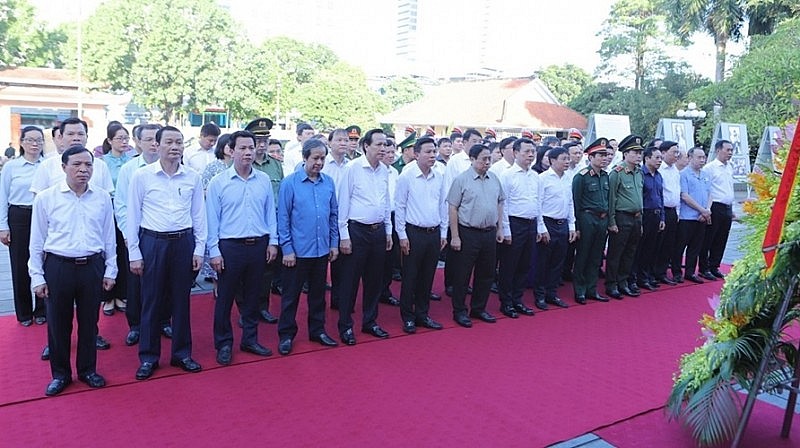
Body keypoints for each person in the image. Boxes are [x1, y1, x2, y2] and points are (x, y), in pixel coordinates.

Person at [29, 145, 117, 396]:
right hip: (58, 266)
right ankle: (61, 374)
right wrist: (37, 275)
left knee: (90, 322)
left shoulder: (101, 197)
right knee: (58, 324)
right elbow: (36, 241)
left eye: (88, 165)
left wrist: (111, 269)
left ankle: (88, 370)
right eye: (76, 164)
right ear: (63, 167)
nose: (83, 170)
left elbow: (109, 236)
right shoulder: (46, 198)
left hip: (92, 266)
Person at [127, 126, 207, 380]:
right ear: (156, 145)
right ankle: (149, 357)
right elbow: (132, 216)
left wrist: (199, 248)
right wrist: (134, 252)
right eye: (169, 142)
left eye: (179, 142)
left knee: (181, 300)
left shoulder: (192, 177)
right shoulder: (142, 176)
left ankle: (182, 354)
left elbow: (199, 215)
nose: (175, 147)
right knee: (150, 300)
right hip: (152, 242)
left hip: (183, 242)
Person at [207, 130, 277, 365]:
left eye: (251, 147)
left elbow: (270, 213)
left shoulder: (264, 180)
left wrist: (273, 242)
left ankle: (250, 339)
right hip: (230, 247)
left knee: (253, 297)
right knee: (225, 297)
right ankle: (224, 343)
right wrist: (214, 251)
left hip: (258, 245)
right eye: (243, 148)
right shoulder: (219, 182)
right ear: (231, 150)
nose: (248, 152)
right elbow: (212, 219)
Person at [277, 138, 340, 355]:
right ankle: (286, 335)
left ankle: (317, 330)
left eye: (322, 158)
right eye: (315, 158)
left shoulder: (328, 183)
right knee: (290, 297)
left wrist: (334, 243)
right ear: (305, 158)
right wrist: (287, 249)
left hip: (321, 250)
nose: (319, 163)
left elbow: (333, 215)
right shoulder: (290, 183)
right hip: (296, 252)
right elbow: (283, 218)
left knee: (318, 295)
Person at [114, 123, 171, 346]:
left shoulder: (172, 166)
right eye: (148, 139)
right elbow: (122, 205)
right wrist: (129, 235)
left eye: (156, 139)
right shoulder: (130, 169)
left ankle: (164, 320)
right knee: (137, 282)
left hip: (164, 234)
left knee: (166, 280)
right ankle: (136, 325)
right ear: (137, 142)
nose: (153, 144)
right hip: (138, 234)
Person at [336, 128, 392, 345]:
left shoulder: (384, 171)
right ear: (365, 146)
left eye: (385, 144)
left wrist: (388, 230)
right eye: (378, 144)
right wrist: (344, 235)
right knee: (350, 281)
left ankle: (370, 321)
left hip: (378, 231)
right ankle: (345, 325)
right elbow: (344, 202)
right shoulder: (352, 169)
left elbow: (385, 202)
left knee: (374, 280)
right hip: (356, 231)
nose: (383, 148)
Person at [447, 143, 505, 328]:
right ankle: (459, 311)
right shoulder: (462, 180)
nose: (488, 162)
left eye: (489, 158)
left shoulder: (494, 178)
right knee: (462, 274)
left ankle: (479, 308)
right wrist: (455, 236)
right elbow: (453, 208)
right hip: (468, 232)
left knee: (486, 273)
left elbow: (500, 203)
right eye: (483, 159)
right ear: (472, 159)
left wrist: (500, 228)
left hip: (488, 232)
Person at [395, 136, 447, 333]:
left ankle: (422, 314)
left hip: (433, 233)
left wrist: (443, 232)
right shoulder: (406, 176)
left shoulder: (439, 176)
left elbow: (443, 205)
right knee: (410, 277)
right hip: (413, 233)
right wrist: (402, 235)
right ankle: (407, 316)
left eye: (434, 151)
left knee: (427, 277)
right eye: (428, 152)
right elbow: (400, 206)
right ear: (416, 154)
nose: (432, 155)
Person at [1, 126, 44, 326]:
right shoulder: (12, 167)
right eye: (30, 140)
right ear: (22, 142)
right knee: (20, 265)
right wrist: (3, 226)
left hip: (43, 216)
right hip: (19, 216)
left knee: (44, 261)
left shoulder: (49, 165)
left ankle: (42, 309)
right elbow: (2, 197)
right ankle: (24, 312)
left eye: (39, 140)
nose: (35, 144)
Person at [497, 137, 540, 318]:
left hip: (531, 223)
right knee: (509, 265)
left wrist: (539, 227)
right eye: (526, 152)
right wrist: (505, 229)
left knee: (524, 264)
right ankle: (506, 303)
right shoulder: (507, 175)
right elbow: (502, 205)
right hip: (514, 224)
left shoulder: (535, 176)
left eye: (533, 152)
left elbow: (538, 202)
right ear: (515, 153)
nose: (530, 155)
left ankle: (518, 299)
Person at [247, 118, 284, 322]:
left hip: (272, 224)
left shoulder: (276, 165)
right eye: (257, 140)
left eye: (265, 140)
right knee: (246, 272)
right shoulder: (243, 163)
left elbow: (283, 193)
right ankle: (246, 310)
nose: (262, 144)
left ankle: (262, 307)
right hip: (249, 223)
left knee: (267, 270)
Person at [535, 147, 576, 309]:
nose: (567, 162)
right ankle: (539, 296)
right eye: (563, 159)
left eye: (568, 159)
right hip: (547, 223)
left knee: (558, 262)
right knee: (543, 262)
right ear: (552, 160)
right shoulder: (542, 179)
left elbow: (570, 202)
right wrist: (541, 227)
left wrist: (572, 225)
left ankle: (552, 294)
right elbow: (537, 204)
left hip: (563, 224)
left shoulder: (568, 178)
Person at [572, 139, 611, 304]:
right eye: (600, 155)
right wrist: (578, 226)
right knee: (583, 255)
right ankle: (580, 290)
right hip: (587, 218)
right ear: (590, 157)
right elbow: (576, 203)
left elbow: (608, 200)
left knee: (596, 256)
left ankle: (591, 289)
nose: (604, 158)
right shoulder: (581, 177)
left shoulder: (605, 176)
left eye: (606, 155)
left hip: (602, 219)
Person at [605, 135, 645, 299]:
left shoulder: (638, 173)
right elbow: (611, 199)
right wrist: (611, 221)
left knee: (630, 252)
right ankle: (611, 284)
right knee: (616, 253)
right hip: (622, 217)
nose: (638, 155)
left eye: (640, 152)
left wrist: (640, 220)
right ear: (625, 153)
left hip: (636, 217)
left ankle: (623, 282)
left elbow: (639, 196)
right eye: (635, 152)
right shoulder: (617, 173)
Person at [100, 123, 132, 316]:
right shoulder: (101, 162)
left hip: (127, 212)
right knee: (108, 252)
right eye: (119, 138)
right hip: (108, 211)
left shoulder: (133, 161)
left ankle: (122, 294)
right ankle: (107, 297)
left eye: (126, 138)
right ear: (110, 140)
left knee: (124, 252)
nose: (124, 142)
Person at [699, 139, 735, 281]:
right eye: (728, 150)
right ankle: (704, 267)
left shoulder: (729, 167)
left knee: (722, 238)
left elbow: (729, 187)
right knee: (709, 238)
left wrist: (731, 207)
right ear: (718, 150)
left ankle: (715, 266)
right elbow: (707, 190)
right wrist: (706, 209)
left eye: (731, 150)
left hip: (727, 207)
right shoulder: (710, 168)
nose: (730, 153)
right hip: (714, 207)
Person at [322, 129, 350, 310]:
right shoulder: (323, 164)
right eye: (339, 140)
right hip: (323, 216)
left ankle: (339, 299)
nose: (343, 143)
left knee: (343, 263)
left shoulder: (352, 166)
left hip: (344, 218)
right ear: (329, 143)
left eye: (346, 140)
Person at [678, 147, 712, 284]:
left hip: (702, 217)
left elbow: (710, 193)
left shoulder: (705, 175)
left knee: (696, 246)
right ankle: (676, 272)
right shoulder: (683, 174)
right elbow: (685, 196)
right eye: (699, 157)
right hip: (687, 217)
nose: (702, 160)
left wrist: (707, 210)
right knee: (680, 246)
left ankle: (690, 272)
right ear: (690, 158)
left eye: (703, 157)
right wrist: (701, 210)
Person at [634, 146, 665, 290]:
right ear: (647, 158)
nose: (660, 160)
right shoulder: (640, 174)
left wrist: (662, 217)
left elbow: (661, 197)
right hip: (644, 215)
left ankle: (646, 276)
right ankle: (635, 278)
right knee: (639, 248)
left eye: (661, 158)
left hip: (656, 215)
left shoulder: (659, 175)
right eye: (657, 157)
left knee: (651, 248)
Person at [654, 141, 682, 285]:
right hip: (661, 210)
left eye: (678, 152)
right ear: (663, 153)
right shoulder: (659, 170)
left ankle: (662, 272)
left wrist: (677, 212)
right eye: (673, 152)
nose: (676, 155)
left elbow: (677, 191)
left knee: (669, 244)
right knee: (658, 243)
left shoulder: (675, 170)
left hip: (672, 211)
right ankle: (652, 273)